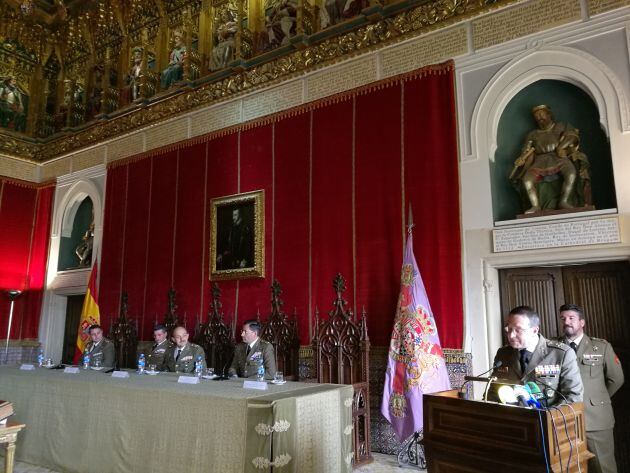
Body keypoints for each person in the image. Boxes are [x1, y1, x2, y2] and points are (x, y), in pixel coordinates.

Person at [557, 304, 625, 473]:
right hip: (564, 419)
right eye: (563, 318)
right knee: (568, 467)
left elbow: (616, 379)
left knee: (603, 467)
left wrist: (597, 399)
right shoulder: (554, 347)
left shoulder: (601, 347)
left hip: (596, 419)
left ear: (582, 322)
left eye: (571, 318)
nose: (567, 322)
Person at [491, 305, 583, 406]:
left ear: (534, 330)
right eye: (509, 329)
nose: (511, 335)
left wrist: (544, 417)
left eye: (518, 330)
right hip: (511, 419)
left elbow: (573, 397)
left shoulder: (562, 353)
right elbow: (493, 392)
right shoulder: (503, 354)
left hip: (547, 419)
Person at [509, 105, 591, 214]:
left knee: (571, 173)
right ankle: (535, 206)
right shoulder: (532, 134)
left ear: (549, 114)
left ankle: (564, 201)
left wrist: (561, 146)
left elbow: (572, 135)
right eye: (537, 116)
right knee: (527, 180)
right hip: (540, 160)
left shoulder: (562, 126)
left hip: (558, 157)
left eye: (542, 114)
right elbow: (526, 149)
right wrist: (522, 158)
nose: (540, 118)